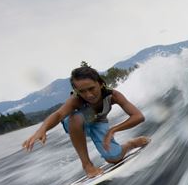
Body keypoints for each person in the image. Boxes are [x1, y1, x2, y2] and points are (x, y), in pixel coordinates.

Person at [22, 65, 150, 177]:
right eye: (82, 91)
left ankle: (131, 144)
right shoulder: (75, 100)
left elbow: (138, 116)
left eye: (91, 88)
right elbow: (59, 114)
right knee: (76, 118)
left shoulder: (113, 96)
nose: (88, 95)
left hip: (98, 122)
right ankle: (87, 164)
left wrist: (113, 130)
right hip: (76, 123)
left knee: (114, 158)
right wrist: (42, 129)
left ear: (100, 84)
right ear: (77, 91)